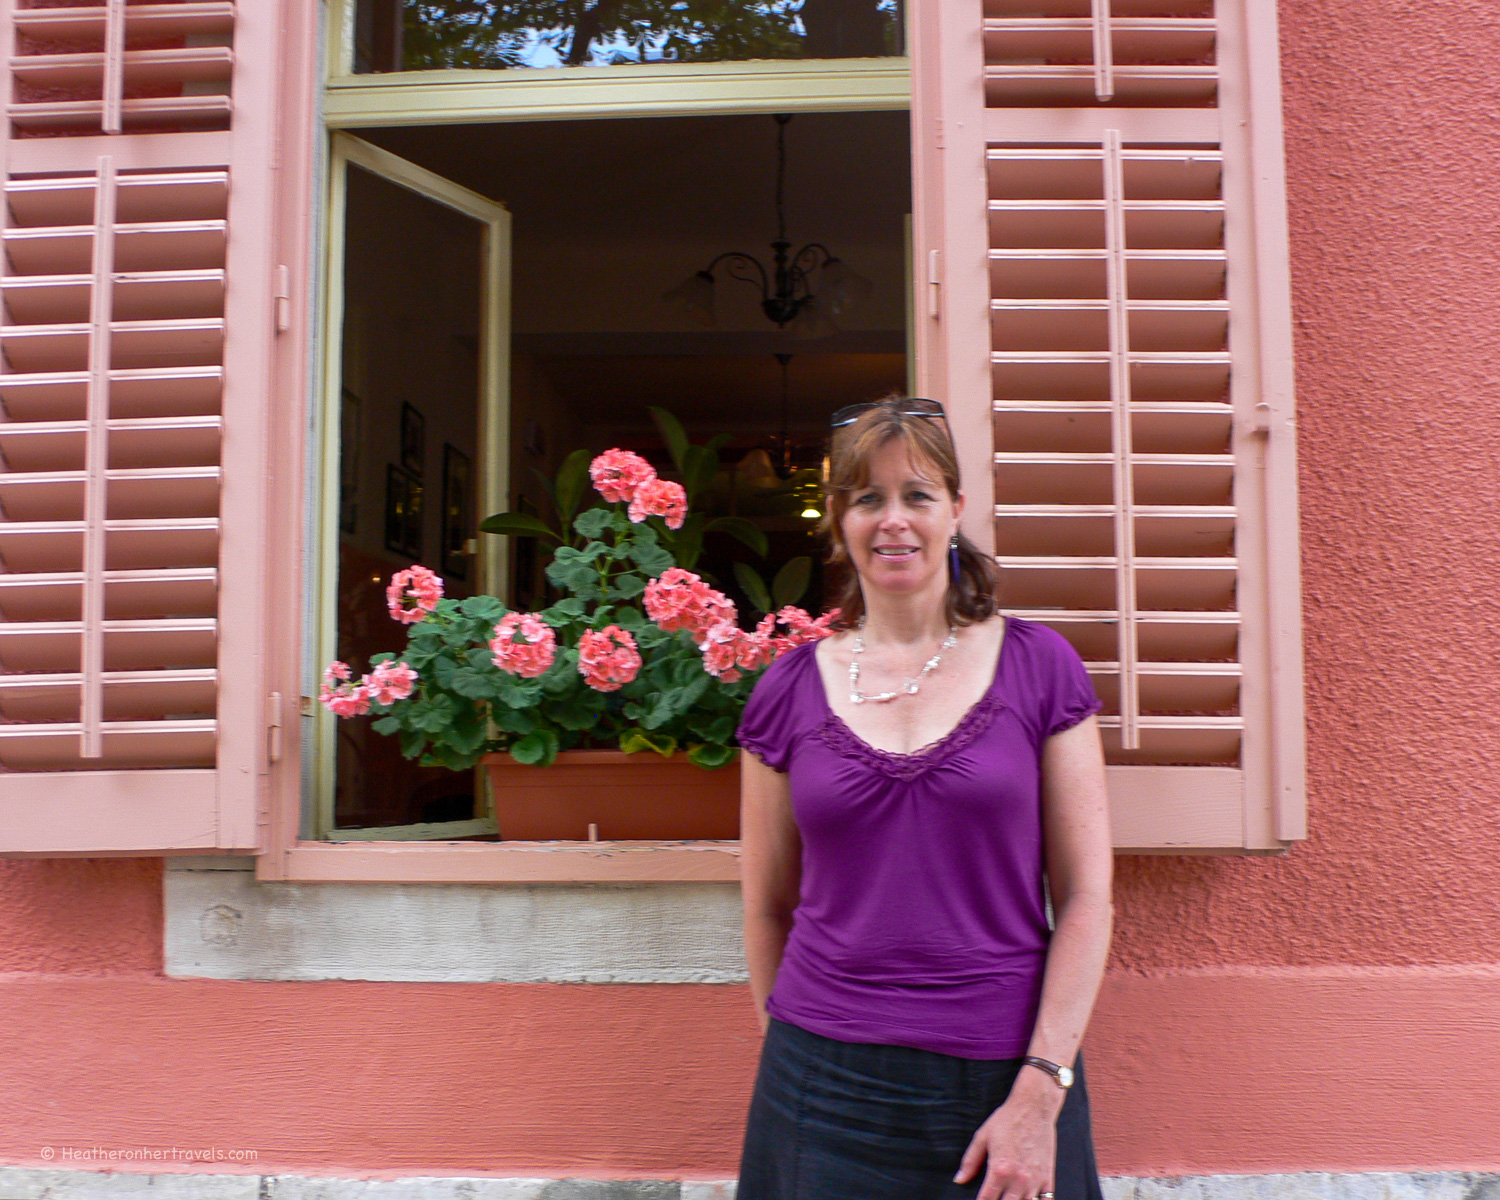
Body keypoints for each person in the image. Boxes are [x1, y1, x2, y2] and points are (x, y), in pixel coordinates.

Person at [736, 396, 1114, 1200]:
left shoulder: (1040, 668)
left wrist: (1041, 1091)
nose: (893, 520)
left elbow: (1086, 896)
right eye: (867, 498)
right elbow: (766, 903)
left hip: (1004, 1081)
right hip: (819, 1088)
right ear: (837, 519)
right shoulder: (786, 691)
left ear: (956, 510)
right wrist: (794, 1052)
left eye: (916, 495)